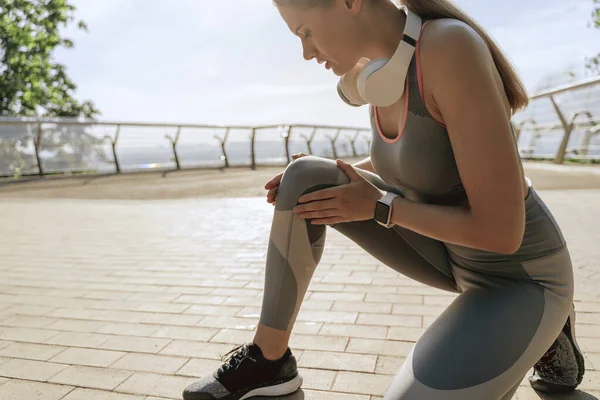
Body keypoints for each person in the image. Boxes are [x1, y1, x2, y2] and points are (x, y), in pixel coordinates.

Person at [182, 0, 586, 399]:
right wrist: (327, 176)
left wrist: (379, 205)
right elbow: (404, 164)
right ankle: (268, 362)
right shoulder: (379, 75)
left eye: (305, 33)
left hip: (521, 278)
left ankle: (548, 333)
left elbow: (503, 234)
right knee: (306, 177)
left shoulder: (448, 48)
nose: (306, 52)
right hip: (452, 257)